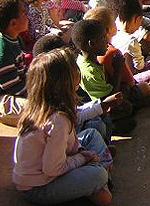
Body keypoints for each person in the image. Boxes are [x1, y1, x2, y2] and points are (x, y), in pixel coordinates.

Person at [12, 48, 113, 205]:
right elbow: (52, 168)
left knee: (91, 134)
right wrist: (82, 158)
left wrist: (80, 150)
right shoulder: (57, 120)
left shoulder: (42, 107)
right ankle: (101, 176)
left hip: (53, 165)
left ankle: (97, 177)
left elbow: (70, 142)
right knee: (99, 177)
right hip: (39, 187)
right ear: (64, 84)